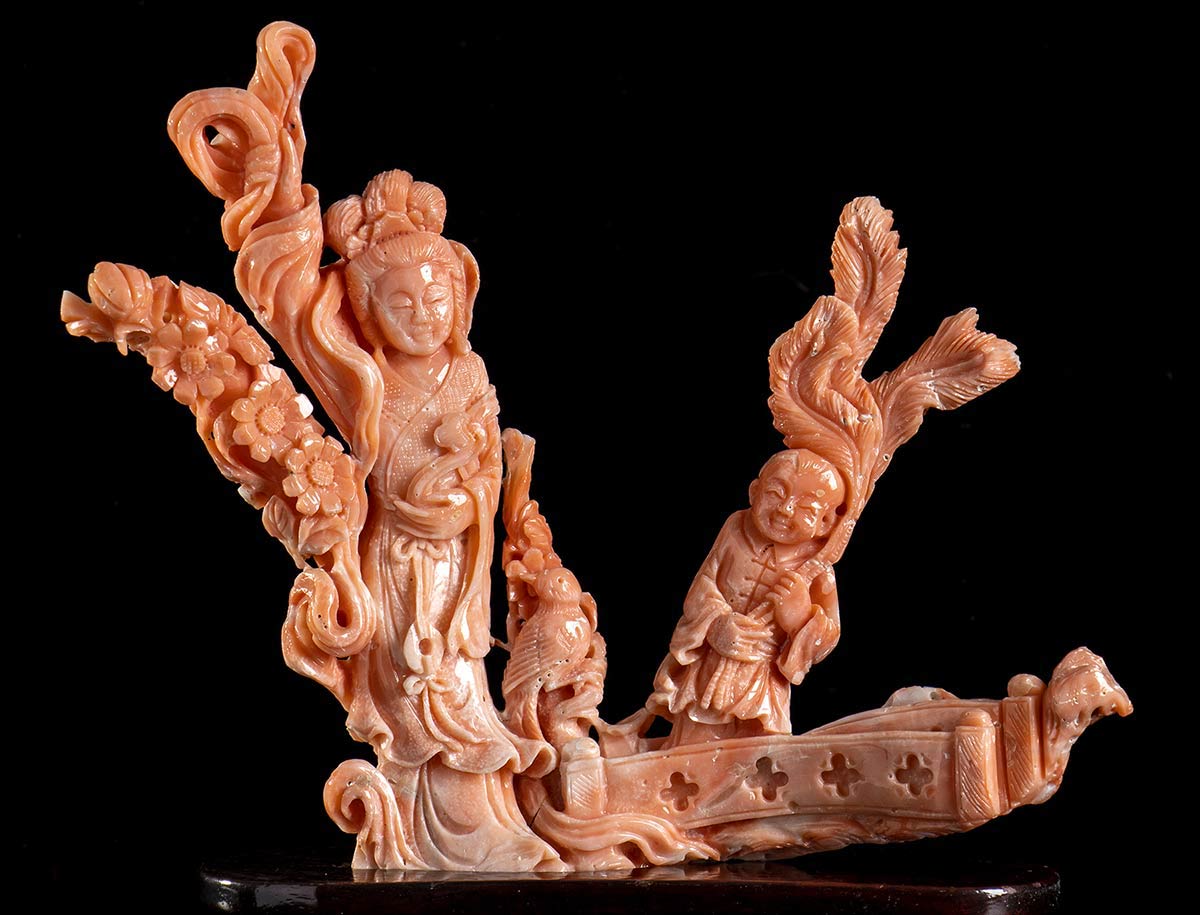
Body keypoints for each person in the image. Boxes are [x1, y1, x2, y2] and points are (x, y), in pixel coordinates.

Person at [648, 449, 844, 748]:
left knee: (758, 755)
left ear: (825, 522)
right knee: (691, 746)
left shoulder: (818, 572)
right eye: (776, 494)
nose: (786, 509)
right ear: (754, 492)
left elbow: (827, 638)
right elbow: (704, 584)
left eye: (806, 507)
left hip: (761, 680)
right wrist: (715, 625)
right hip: (708, 667)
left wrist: (799, 618)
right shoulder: (734, 528)